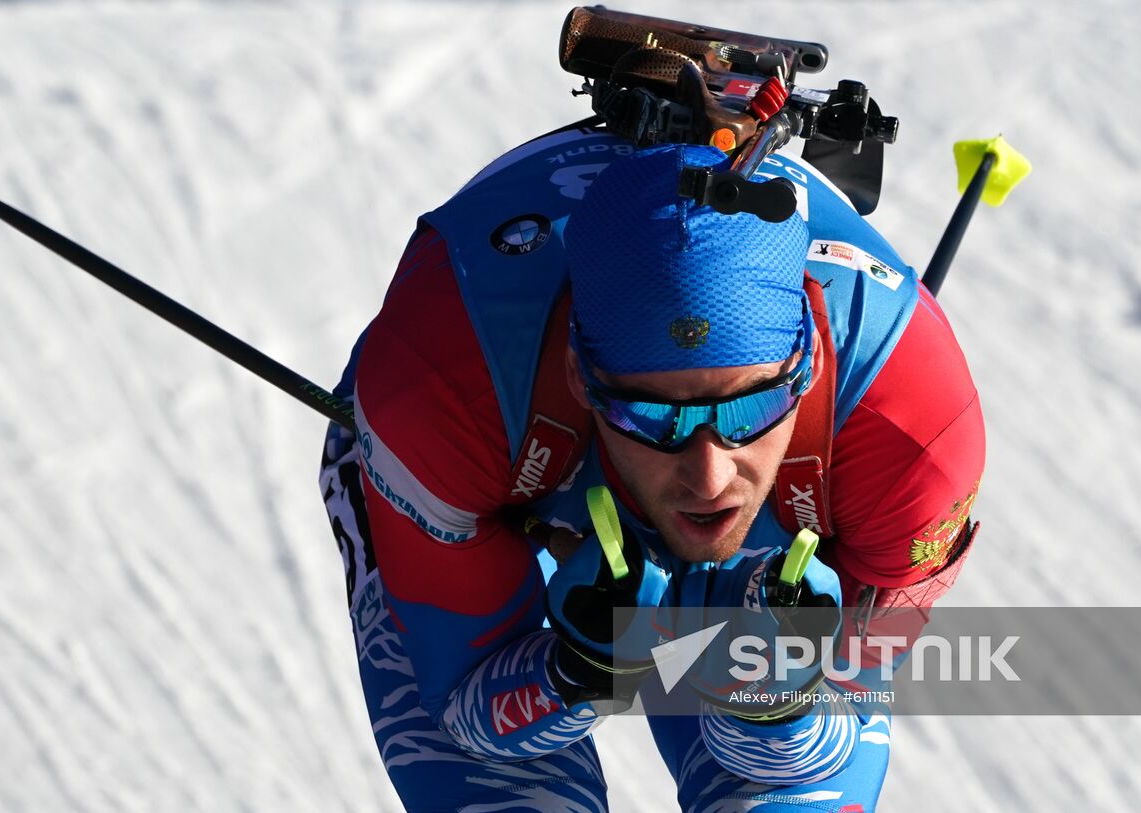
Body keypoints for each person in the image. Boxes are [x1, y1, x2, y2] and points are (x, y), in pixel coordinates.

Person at [320, 131, 984, 811]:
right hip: (490, 470)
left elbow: (826, 733)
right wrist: (577, 670)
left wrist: (775, 698)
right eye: (650, 416)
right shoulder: (439, 394)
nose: (709, 477)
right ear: (578, 373)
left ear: (809, 361)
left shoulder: (915, 433)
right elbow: (463, 715)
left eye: (750, 408)